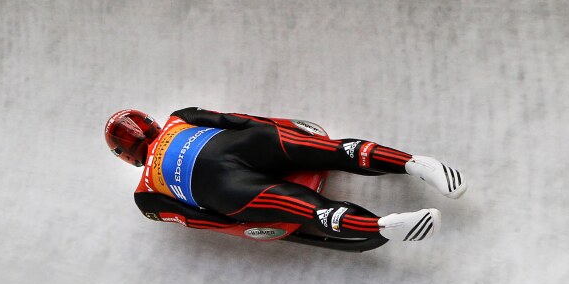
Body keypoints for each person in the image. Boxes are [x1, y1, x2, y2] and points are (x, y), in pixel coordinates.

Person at [105, 107, 467, 243]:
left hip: (227, 189)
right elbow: (237, 120)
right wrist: (285, 130)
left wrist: (242, 227)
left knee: (308, 209)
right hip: (248, 144)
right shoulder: (180, 116)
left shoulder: (145, 197)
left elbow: (197, 219)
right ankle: (416, 164)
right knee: (333, 150)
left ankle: (384, 227)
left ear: (124, 156)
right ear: (150, 122)